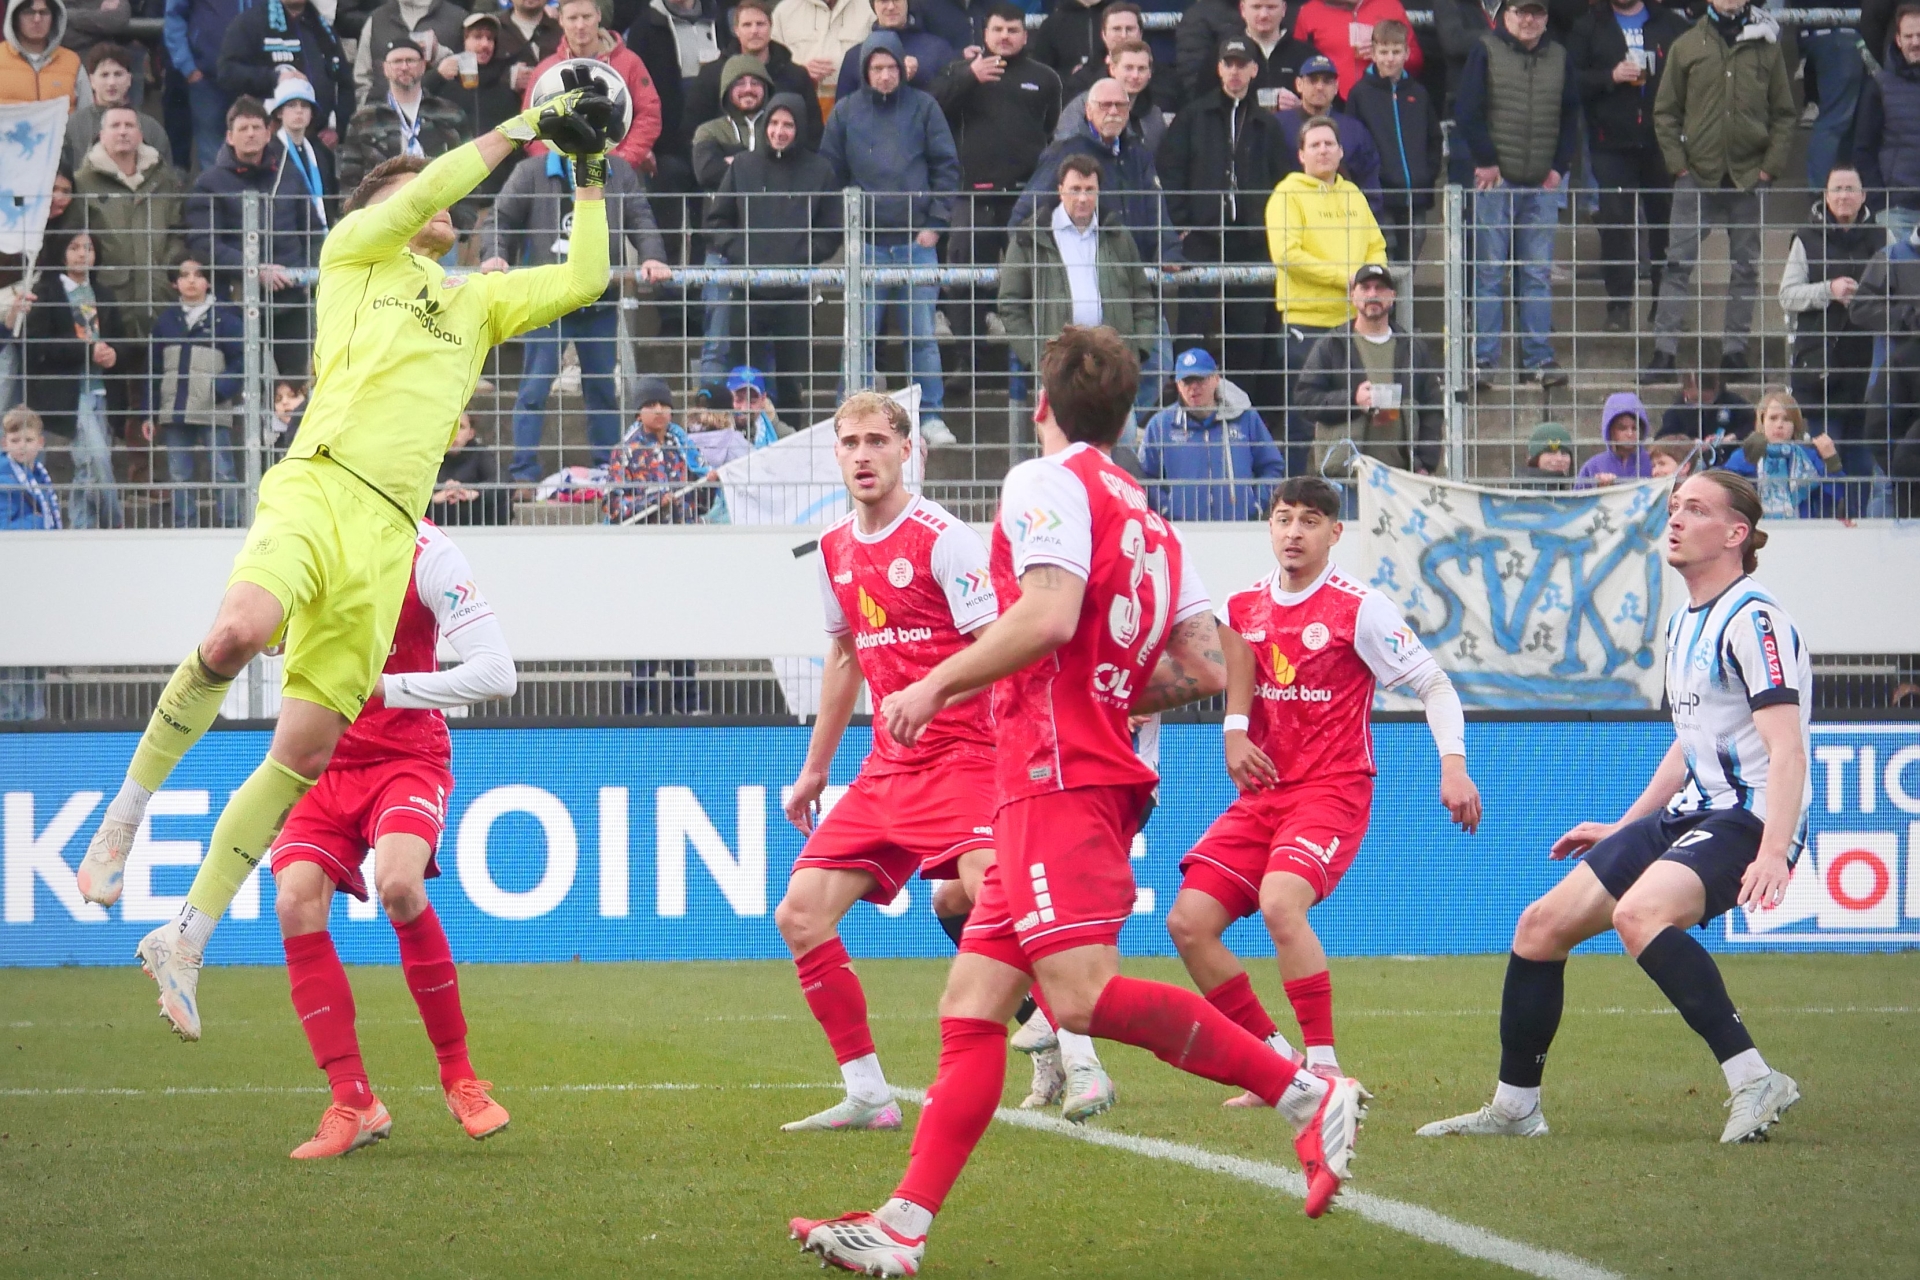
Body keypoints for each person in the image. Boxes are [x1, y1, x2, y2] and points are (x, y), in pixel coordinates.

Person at [790, 327, 1370, 1278]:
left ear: (1041, 405)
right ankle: (903, 1225)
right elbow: (1200, 663)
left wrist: (936, 686)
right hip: (1061, 773)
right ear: (1128, 411)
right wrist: (1104, 691)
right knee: (972, 1005)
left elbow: (1051, 612)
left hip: (1059, 776)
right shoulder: (1149, 519)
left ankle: (1304, 1091)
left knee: (1080, 996)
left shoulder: (1043, 481)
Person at [72, 79, 616, 1040]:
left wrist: (590, 171)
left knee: (304, 751)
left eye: (439, 193)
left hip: (389, 535)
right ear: (381, 209)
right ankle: (125, 813)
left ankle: (185, 938)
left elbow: (585, 280)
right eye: (416, 191)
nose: (437, 201)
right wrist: (524, 125)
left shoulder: (477, 302)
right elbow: (427, 188)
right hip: (317, 486)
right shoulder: (354, 255)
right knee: (236, 635)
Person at [1419, 470, 1807, 1147]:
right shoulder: (1685, 620)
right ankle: (1515, 1109)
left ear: (1736, 533)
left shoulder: (1754, 618)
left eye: (1695, 509)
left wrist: (1774, 849)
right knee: (1540, 927)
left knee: (1639, 915)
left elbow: (1787, 748)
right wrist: (1627, 828)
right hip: (1691, 812)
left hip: (1746, 817)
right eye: (1674, 507)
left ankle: (1755, 1078)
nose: (1675, 519)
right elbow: (1689, 742)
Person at [776, 391, 1112, 1131]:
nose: (863, 455)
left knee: (992, 895)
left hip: (969, 755)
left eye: (877, 440)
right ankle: (868, 1093)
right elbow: (845, 658)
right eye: (850, 443)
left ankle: (1082, 1054)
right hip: (889, 765)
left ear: (908, 450)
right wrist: (815, 769)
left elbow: (1004, 650)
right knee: (800, 913)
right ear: (836, 455)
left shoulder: (945, 539)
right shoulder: (832, 550)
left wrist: (942, 700)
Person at [1167, 475, 1476, 1102]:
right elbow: (1234, 675)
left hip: (1331, 791)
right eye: (1284, 518)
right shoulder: (1242, 606)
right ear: (1269, 526)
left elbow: (1435, 685)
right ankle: (1276, 1065)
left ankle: (1326, 1069)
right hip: (1263, 795)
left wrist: (1453, 765)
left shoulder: (1359, 607)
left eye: (1310, 521)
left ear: (1335, 533)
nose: (1294, 532)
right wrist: (1232, 732)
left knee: (1282, 904)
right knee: (1188, 923)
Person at [268, 520, 518, 1159]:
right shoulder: (305, 535)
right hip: (320, 757)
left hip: (406, 756)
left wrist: (386, 689)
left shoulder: (428, 551)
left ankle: (459, 1077)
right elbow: (263, 628)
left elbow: (498, 673)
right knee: (294, 901)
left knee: (400, 885)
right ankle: (353, 1100)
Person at [482, 149, 669, 482]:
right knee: (534, 391)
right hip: (547, 302)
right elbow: (500, 218)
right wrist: (495, 254)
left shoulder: (619, 171)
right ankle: (523, 475)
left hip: (599, 302)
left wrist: (652, 256)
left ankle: (608, 471)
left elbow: (640, 217)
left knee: (602, 391)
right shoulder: (530, 171)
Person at [820, 30, 960, 445]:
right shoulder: (845, 112)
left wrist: (935, 224)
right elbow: (830, 173)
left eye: (891, 67)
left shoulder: (925, 107)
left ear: (902, 68)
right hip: (865, 246)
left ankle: (930, 417)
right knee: (859, 340)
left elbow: (947, 167)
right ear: (865, 71)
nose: (884, 75)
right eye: (876, 68)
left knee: (922, 337)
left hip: (917, 244)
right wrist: (848, 231)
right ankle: (850, 420)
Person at [1644, 0, 1795, 381]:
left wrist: (1769, 169)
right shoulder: (1686, 45)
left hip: (1748, 179)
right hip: (1696, 176)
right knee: (1676, 265)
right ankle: (1663, 352)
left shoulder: (1767, 47)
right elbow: (1665, 111)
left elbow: (1784, 114)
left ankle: (1735, 353)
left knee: (1745, 269)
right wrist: (1678, 165)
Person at [929, 3, 1062, 380]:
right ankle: (967, 361)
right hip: (972, 195)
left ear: (1025, 34)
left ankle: (1038, 364)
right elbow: (933, 108)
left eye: (1013, 30)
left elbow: (1050, 130)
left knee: (1036, 281)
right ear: (984, 34)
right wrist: (969, 76)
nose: (1005, 36)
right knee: (964, 282)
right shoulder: (959, 71)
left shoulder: (1045, 78)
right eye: (998, 29)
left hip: (1028, 198)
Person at [1159, 37, 1290, 413]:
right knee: (1194, 328)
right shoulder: (1193, 117)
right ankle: (1187, 410)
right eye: (1228, 63)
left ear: (1254, 70)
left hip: (1252, 241)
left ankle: (1243, 413)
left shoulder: (1266, 125)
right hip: (1202, 238)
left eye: (1241, 64)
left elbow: (1283, 183)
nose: (1234, 71)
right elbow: (1171, 171)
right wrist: (1182, 225)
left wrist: (1271, 232)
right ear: (1218, 68)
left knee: (1249, 333)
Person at [1456, 0, 1577, 389]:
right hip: (1496, 184)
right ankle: (1483, 362)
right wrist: (1487, 161)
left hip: (1542, 185)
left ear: (1547, 18)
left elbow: (1571, 116)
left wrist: (1559, 167)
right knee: (1489, 273)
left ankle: (1539, 360)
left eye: (1536, 12)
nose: (1528, 19)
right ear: (1504, 15)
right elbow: (1467, 110)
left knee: (1537, 275)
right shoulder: (1485, 50)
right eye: (1520, 11)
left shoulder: (1560, 56)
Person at [1266, 114, 1387, 476]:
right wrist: (1347, 281)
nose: (1323, 150)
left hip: (1353, 326)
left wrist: (1369, 283)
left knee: (1362, 415)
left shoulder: (1354, 195)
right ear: (1301, 154)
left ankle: (1352, 494)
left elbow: (1376, 246)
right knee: (1305, 421)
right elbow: (1287, 254)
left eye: (1329, 144)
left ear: (1341, 151)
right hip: (1307, 325)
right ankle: (1297, 495)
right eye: (1314, 145)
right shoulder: (1286, 195)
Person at [703, 93, 840, 411]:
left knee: (791, 383)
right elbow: (717, 220)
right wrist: (741, 252)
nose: (780, 131)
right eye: (774, 123)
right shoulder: (743, 165)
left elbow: (832, 229)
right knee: (743, 383)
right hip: (747, 291)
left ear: (799, 128)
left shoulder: (820, 170)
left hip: (794, 292)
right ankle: (745, 439)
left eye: (788, 125)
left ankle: (791, 435)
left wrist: (804, 253)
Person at [1567, 0, 1687, 333]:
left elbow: (1693, 75)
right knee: (1616, 224)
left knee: (1665, 225)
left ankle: (1664, 308)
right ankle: (1619, 305)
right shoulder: (1589, 25)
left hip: (1661, 142)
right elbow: (1570, 80)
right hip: (1610, 143)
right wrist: (1611, 76)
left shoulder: (1669, 24)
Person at [997, 155, 1153, 402]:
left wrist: (1136, 352)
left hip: (1113, 370)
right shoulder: (1030, 238)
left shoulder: (1118, 235)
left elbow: (1142, 296)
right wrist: (1038, 358)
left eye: (1089, 190)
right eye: (1075, 189)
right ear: (1060, 190)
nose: (1082, 198)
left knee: (1119, 428)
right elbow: (1010, 304)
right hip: (1060, 373)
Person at [190, 97, 323, 378]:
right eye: (243, 128)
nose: (250, 134)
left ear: (267, 133)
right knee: (246, 387)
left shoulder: (290, 176)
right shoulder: (208, 183)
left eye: (256, 127)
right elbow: (203, 243)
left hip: (291, 302)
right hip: (235, 304)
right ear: (229, 136)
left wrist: (307, 277)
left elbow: (312, 231)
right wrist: (253, 269)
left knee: (297, 385)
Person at [1779, 165, 1881, 500]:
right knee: (1823, 467)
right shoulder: (1806, 238)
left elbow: (1902, 291)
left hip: (1870, 375)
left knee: (1863, 470)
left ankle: (1860, 530)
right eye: (1837, 189)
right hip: (1820, 375)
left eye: (1850, 189)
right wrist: (1828, 290)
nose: (1843, 196)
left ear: (1863, 196)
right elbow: (1787, 295)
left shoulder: (1883, 239)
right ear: (1825, 196)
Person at [1293, 263, 1443, 474]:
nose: (1373, 294)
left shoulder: (1413, 348)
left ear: (1392, 296)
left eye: (1380, 288)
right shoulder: (1333, 345)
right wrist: (1353, 400)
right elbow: (1305, 399)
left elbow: (1432, 408)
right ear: (1353, 296)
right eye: (1365, 288)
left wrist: (1425, 464)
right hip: (1345, 476)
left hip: (1400, 476)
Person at [21, 230, 125, 529]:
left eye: (88, 248)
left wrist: (114, 354)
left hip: (102, 391)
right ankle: (114, 525)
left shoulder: (104, 294)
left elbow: (121, 341)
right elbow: (37, 347)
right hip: (70, 391)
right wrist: (86, 350)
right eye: (74, 247)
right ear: (61, 252)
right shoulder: (47, 292)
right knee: (97, 459)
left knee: (87, 467)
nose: (82, 254)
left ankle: (82, 530)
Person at [72, 105, 188, 339]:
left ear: (140, 134)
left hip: (159, 294)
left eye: (129, 125)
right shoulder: (82, 183)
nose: (123, 131)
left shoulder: (164, 179)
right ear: (102, 135)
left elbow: (178, 231)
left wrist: (166, 269)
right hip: (107, 296)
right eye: (115, 126)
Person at [145, 256, 244, 528]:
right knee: (179, 475)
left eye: (198, 275)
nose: (191, 280)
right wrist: (148, 412)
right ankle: (183, 528)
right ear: (174, 283)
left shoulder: (226, 319)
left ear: (208, 281)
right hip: (174, 409)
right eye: (184, 275)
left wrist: (220, 389)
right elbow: (153, 369)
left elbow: (241, 361)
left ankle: (231, 526)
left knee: (223, 472)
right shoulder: (165, 322)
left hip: (213, 407)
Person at [1346, 20, 1441, 296]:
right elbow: (1353, 142)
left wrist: (1427, 174)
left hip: (1416, 193)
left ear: (1407, 53)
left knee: (1412, 255)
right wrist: (1368, 180)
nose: (1390, 58)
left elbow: (1433, 138)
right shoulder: (1360, 94)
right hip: (1380, 194)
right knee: (1384, 255)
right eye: (1384, 52)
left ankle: (1403, 311)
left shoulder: (1419, 93)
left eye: (1396, 52)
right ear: (1373, 53)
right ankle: (1387, 312)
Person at [1137, 347, 1285, 520]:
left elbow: (1272, 466)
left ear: (1216, 379)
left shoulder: (1245, 417)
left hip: (1237, 527)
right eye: (1186, 381)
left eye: (1200, 380)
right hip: (1181, 528)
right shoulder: (1161, 424)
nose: (1193, 387)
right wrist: (1165, 509)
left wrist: (1256, 505)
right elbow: (1144, 476)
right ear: (1177, 385)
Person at [526, 0, 666, 175]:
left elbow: (648, 113)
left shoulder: (629, 63)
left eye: (587, 17)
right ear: (560, 20)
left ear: (599, 16)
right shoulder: (546, 70)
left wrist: (625, 158)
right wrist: (554, 163)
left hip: (618, 171)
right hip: (562, 174)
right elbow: (530, 123)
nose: (580, 25)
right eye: (572, 18)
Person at [339, 40, 469, 192]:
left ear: (423, 66)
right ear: (385, 69)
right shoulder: (364, 119)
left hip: (440, 202)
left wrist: (466, 208)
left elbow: (468, 169)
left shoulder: (450, 113)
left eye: (411, 61)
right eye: (397, 61)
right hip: (384, 203)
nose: (404, 67)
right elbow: (350, 180)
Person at [217, 0, 355, 142]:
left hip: (317, 139)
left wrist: (338, 130)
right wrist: (275, 78)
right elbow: (227, 72)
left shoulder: (323, 28)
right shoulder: (251, 23)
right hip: (268, 140)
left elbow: (345, 84)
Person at [687, 0, 820, 145]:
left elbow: (813, 130)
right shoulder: (712, 75)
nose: (754, 31)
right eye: (747, 25)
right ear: (736, 30)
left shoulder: (796, 76)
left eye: (760, 24)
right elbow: (693, 129)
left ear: (771, 27)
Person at [1275, 55, 1385, 217]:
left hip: (1343, 217)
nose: (1320, 87)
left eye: (1327, 81)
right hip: (1291, 215)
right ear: (1299, 84)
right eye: (1313, 80)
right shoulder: (1278, 125)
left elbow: (1369, 179)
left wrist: (1365, 216)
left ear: (1336, 87)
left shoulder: (1354, 129)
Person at [429, 12, 541, 168]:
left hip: (498, 170)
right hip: (455, 169)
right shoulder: (446, 82)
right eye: (477, 37)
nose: (484, 44)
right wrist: (437, 76)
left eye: (490, 39)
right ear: (463, 40)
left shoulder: (507, 82)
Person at [1853, 4, 1920, 247]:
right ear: (1898, 40)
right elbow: (1863, 150)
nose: (1915, 42)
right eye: (1909, 36)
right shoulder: (1879, 88)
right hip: (1897, 213)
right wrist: (1881, 202)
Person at [604, 375, 710, 522]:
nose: (659, 410)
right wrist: (653, 501)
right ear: (638, 415)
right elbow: (612, 504)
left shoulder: (684, 447)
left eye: (664, 405)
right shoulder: (625, 451)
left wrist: (711, 484)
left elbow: (702, 503)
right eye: (651, 405)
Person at [1723, 390, 1843, 518]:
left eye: (1786, 419)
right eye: (1773, 418)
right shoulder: (1743, 453)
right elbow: (1725, 488)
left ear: (1795, 425)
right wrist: (1748, 461)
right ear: (1762, 421)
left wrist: (1832, 462)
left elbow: (1831, 498)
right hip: (1756, 526)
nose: (1779, 425)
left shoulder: (1809, 456)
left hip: (1801, 526)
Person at [1054, 38, 1165, 157]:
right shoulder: (1083, 106)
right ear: (1112, 69)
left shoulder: (1154, 116)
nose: (1135, 75)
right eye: (1128, 68)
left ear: (1150, 73)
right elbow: (1065, 151)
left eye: (1141, 69)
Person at [162, 0, 241, 168]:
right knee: (212, 156)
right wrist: (187, 67)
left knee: (255, 144)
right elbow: (174, 16)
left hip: (253, 76)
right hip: (207, 78)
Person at [1291, 0, 1424, 97]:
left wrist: (1384, 53)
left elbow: (1415, 60)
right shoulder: (1310, 11)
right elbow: (1297, 64)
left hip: (1383, 98)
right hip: (1331, 102)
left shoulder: (1389, 6)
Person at [63, 43, 167, 163]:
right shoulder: (73, 128)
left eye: (118, 74)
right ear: (92, 80)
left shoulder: (151, 129)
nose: (111, 82)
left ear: (129, 79)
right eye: (104, 75)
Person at [352, 0, 468, 100]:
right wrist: (367, 109)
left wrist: (438, 53)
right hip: (384, 115)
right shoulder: (377, 19)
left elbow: (470, 73)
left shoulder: (458, 19)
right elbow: (362, 78)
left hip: (440, 114)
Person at [835, 0, 953, 97]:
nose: (891, 7)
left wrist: (918, 75)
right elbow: (844, 112)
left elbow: (950, 102)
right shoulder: (854, 57)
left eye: (897, 0)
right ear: (873, 6)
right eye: (884, 1)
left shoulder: (938, 50)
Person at [266, 80, 340, 227]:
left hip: (322, 232)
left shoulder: (322, 153)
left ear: (312, 113)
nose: (299, 111)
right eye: (291, 105)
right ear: (279, 112)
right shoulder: (269, 153)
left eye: (305, 105)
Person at [770, 0, 874, 100]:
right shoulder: (784, 11)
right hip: (800, 104)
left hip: (853, 104)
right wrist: (800, 73)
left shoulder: (868, 10)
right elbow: (772, 63)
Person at [0, 0, 81, 107]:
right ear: (15, 17)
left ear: (54, 17)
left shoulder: (72, 62)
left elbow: (88, 113)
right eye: (29, 12)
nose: (37, 19)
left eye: (44, 13)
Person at [431, 411, 507, 525]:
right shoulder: (428, 455)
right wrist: (434, 497)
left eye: (460, 427)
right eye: (449, 425)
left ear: (471, 433)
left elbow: (503, 479)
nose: (454, 432)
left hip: (476, 518)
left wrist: (473, 492)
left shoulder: (479, 453)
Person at [1660, 370, 1752, 462]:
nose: (1701, 405)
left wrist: (1733, 437)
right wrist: (1690, 443)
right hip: (1692, 462)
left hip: (1728, 459)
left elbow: (1752, 423)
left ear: (1716, 390)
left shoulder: (1731, 402)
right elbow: (1663, 438)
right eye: (1695, 400)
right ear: (1686, 392)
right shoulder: (1676, 411)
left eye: (1707, 401)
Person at [1028, 0, 1124, 86]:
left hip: (1118, 89)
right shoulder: (1052, 24)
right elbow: (1041, 73)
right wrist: (1069, 77)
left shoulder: (1122, 17)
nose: (1124, 33)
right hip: (1069, 95)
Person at [1574, 391, 1654, 487]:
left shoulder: (1654, 463)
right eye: (1622, 428)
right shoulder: (1593, 467)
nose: (1630, 434)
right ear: (1610, 430)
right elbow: (1578, 496)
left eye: (1634, 428)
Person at [1, 404, 60, 530]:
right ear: (4, 443)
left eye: (28, 440)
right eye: (15, 441)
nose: (22, 446)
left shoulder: (40, 473)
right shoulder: (4, 479)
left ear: (40, 442)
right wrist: (37, 521)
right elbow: (3, 528)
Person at [1522, 419, 1576, 485]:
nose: (1559, 458)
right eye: (1552, 452)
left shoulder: (1575, 487)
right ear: (1536, 457)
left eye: (1564, 453)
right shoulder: (1522, 488)